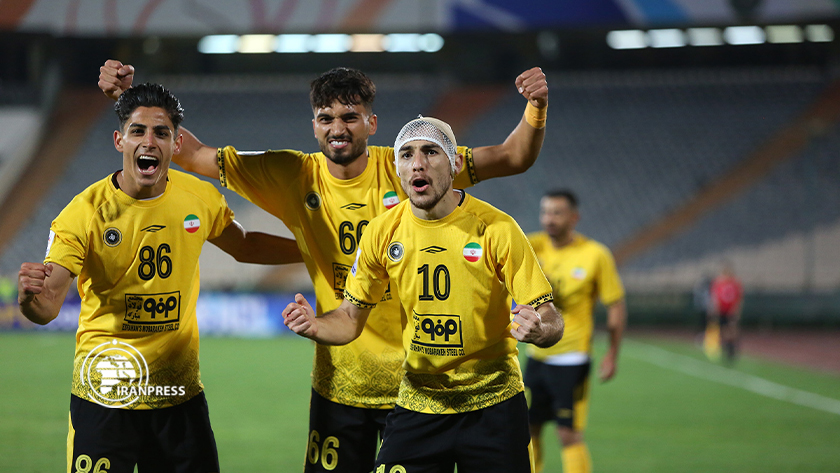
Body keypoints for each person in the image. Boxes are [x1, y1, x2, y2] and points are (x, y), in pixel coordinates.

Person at [99, 61, 549, 472]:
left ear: (372, 124)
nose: (338, 128)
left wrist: (535, 109)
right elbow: (187, 151)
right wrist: (131, 96)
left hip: (420, 386)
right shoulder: (291, 174)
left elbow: (513, 156)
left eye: (350, 117)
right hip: (342, 381)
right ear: (313, 126)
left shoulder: (411, 161)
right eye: (327, 118)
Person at [17, 83, 302, 473]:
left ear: (175, 143)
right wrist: (29, 299)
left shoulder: (198, 197)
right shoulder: (81, 213)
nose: (149, 141)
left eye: (161, 133)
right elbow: (48, 306)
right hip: (106, 391)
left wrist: (311, 247)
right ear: (120, 140)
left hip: (177, 395)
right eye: (138, 131)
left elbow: (245, 245)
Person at [283, 116, 564, 472]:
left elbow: (550, 315)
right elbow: (350, 320)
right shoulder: (382, 232)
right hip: (420, 403)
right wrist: (315, 326)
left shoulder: (497, 229)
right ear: (398, 168)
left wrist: (541, 329)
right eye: (407, 155)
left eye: (431, 152)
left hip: (493, 407)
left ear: (456, 163)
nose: (418, 163)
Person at [524, 189, 627, 473]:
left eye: (557, 213)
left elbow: (615, 305)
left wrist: (612, 354)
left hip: (572, 360)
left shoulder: (595, 255)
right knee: (528, 430)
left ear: (574, 217)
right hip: (536, 356)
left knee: (568, 434)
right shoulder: (532, 246)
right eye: (545, 212)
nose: (550, 219)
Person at [708, 262, 743, 363]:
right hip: (722, 310)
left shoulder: (735, 284)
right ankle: (727, 349)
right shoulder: (718, 283)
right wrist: (714, 309)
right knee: (724, 330)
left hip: (730, 310)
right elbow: (715, 298)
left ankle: (732, 350)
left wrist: (736, 310)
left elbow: (738, 298)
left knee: (732, 330)